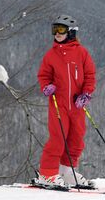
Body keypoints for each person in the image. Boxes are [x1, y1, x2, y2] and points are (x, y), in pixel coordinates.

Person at [36, 14, 96, 187]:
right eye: (54, 29)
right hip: (58, 104)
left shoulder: (82, 53)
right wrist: (47, 86)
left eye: (61, 29)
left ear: (71, 32)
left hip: (77, 105)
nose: (57, 33)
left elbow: (90, 75)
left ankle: (66, 172)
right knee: (58, 138)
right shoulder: (51, 55)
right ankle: (47, 173)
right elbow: (44, 75)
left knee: (76, 140)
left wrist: (86, 93)